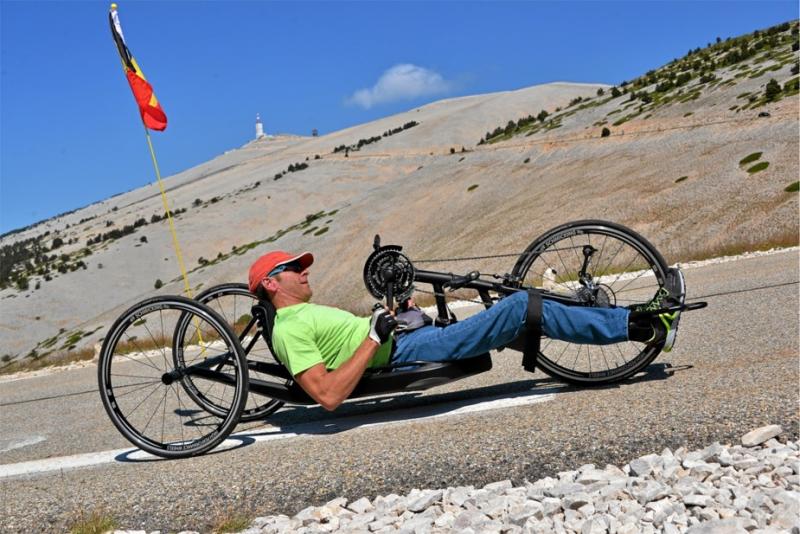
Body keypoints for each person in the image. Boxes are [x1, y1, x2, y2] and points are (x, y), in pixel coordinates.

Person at [248, 250, 683, 411]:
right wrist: (376, 337)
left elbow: (352, 341)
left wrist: (391, 316)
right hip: (409, 350)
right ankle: (644, 326)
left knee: (523, 309)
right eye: (293, 270)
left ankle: (631, 320)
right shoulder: (289, 330)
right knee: (517, 306)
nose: (304, 273)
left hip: (406, 336)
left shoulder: (303, 313)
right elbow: (326, 396)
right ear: (271, 283)